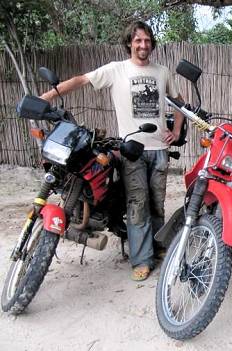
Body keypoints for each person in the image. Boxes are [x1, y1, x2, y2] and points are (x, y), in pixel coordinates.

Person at [40, 21, 184, 281]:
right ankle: (141, 259)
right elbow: (81, 80)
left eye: (147, 40)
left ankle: (157, 246)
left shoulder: (162, 72)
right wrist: (47, 97)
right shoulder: (116, 70)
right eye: (138, 40)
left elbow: (179, 103)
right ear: (129, 42)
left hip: (159, 149)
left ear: (152, 43)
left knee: (157, 203)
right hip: (131, 151)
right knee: (138, 203)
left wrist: (176, 131)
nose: (143, 45)